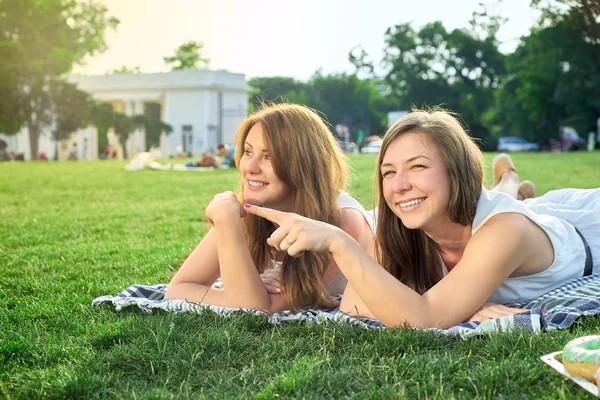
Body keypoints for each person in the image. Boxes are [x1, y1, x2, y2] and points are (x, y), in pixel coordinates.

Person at [244, 108, 599, 329]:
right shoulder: (403, 223)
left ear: (456, 170)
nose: (399, 186)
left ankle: (511, 183)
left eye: (417, 167)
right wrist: (463, 305)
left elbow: (425, 318)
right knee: (499, 202)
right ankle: (511, 182)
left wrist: (341, 243)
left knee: (504, 210)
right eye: (388, 172)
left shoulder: (506, 231)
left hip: (582, 229)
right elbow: (353, 304)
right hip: (501, 216)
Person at [165, 103, 374, 313]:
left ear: (303, 164)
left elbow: (257, 309)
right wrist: (251, 288)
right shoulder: (244, 209)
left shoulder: (341, 221)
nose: (250, 167)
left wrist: (226, 221)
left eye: (269, 157)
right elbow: (178, 289)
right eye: (247, 152)